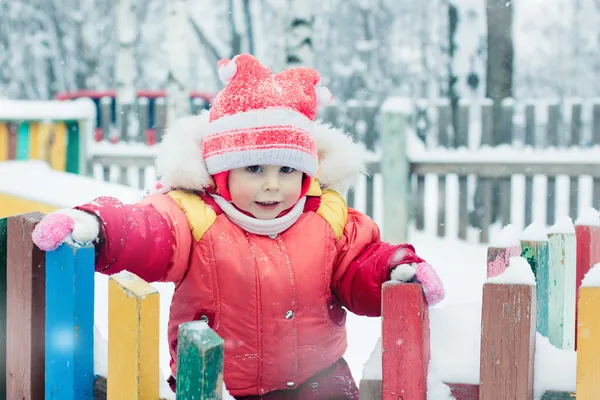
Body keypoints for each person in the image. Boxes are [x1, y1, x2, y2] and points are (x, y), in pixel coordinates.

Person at [31, 54, 444, 400]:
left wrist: (395, 268)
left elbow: (360, 263)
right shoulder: (196, 217)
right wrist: (98, 225)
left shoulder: (326, 219)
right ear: (222, 173)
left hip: (319, 383)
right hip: (216, 383)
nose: (272, 184)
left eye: (286, 169)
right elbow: (146, 229)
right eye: (254, 168)